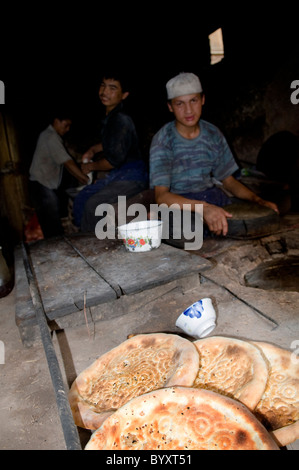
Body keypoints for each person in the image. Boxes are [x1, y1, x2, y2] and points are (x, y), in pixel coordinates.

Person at [149, 72, 279, 247]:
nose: (188, 110)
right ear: (170, 107)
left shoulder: (213, 134)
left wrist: (259, 201)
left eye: (193, 101)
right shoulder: (163, 140)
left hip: (210, 196)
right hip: (179, 203)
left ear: (202, 100)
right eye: (180, 103)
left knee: (261, 216)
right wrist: (203, 209)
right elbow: (162, 196)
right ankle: (158, 219)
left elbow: (229, 181)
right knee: (191, 233)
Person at [72, 72, 148, 232]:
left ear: (124, 95)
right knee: (83, 198)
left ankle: (92, 246)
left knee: (92, 205)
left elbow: (114, 160)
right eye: (103, 85)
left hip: (132, 176)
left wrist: (91, 167)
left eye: (112, 88)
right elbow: (113, 143)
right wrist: (93, 149)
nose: (104, 92)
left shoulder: (121, 120)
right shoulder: (111, 118)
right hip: (121, 173)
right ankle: (84, 239)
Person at [29, 113, 89, 238]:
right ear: (56, 121)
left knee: (51, 225)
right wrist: (85, 179)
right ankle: (58, 254)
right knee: (53, 228)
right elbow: (67, 162)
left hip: (42, 185)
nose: (67, 129)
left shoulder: (51, 136)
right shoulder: (50, 137)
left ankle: (55, 252)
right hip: (41, 186)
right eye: (66, 125)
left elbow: (68, 157)